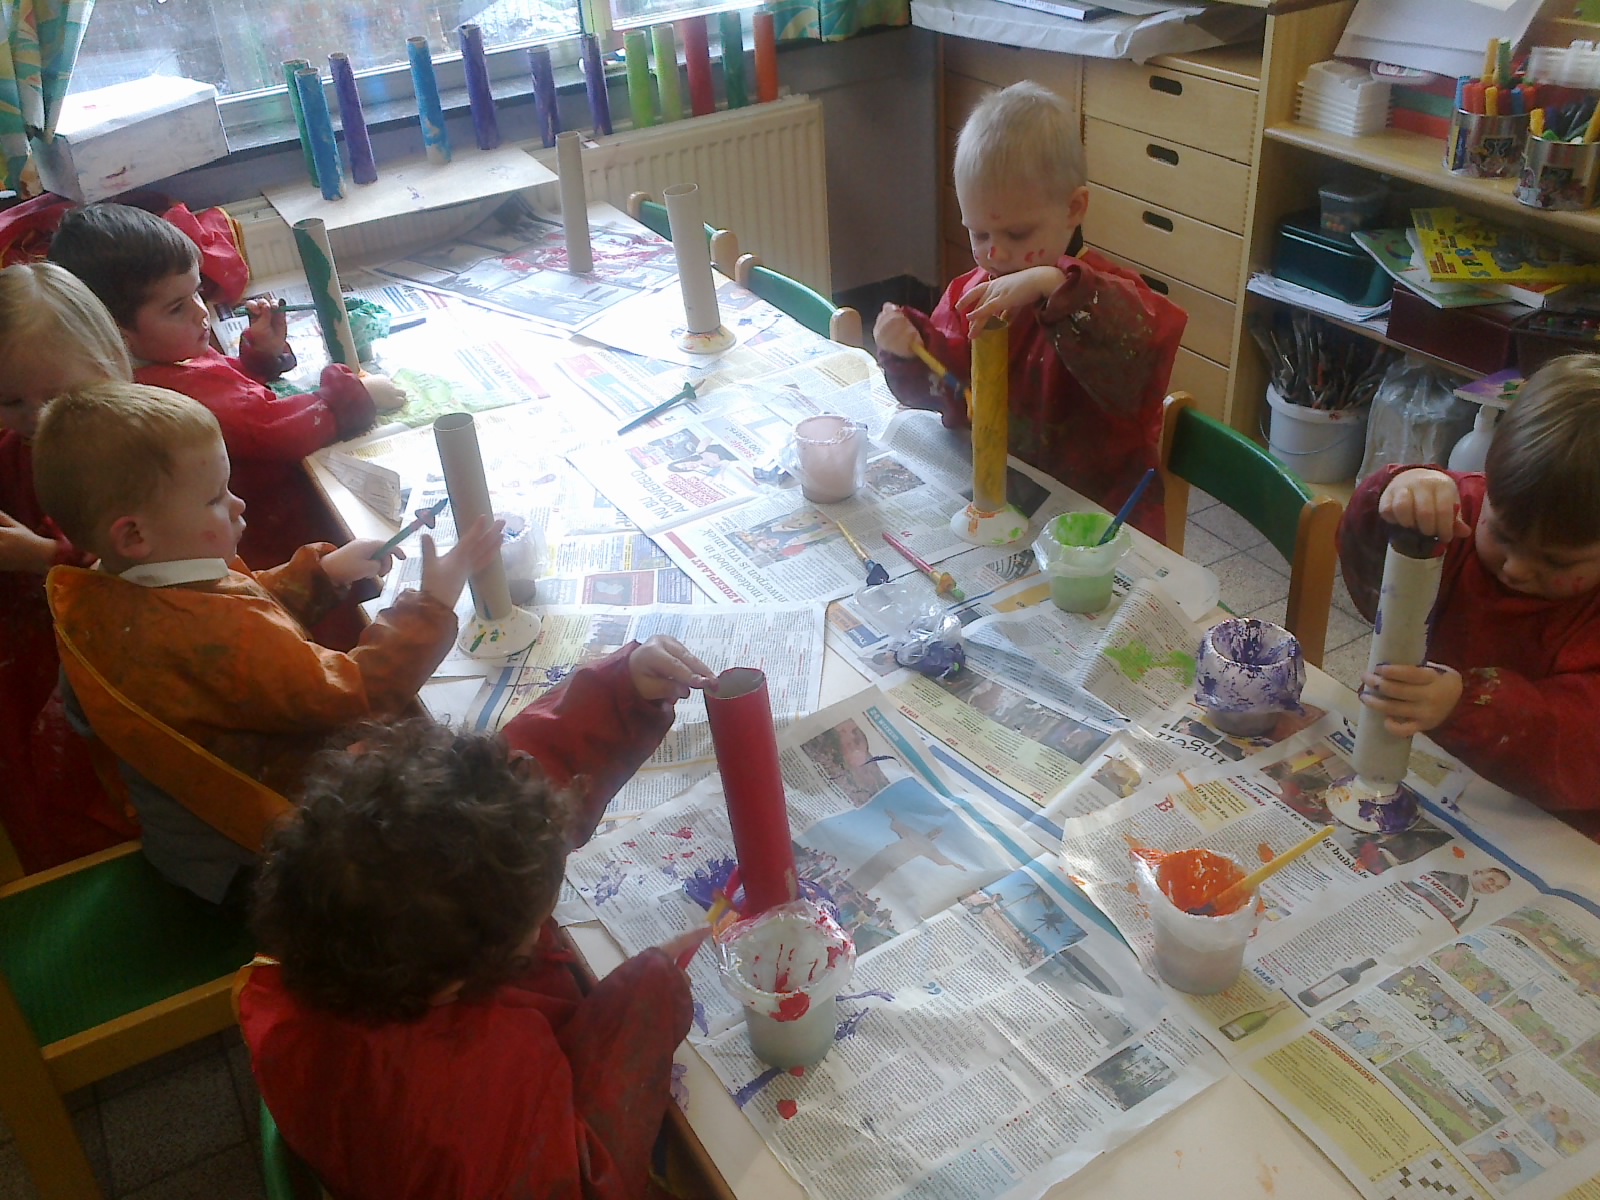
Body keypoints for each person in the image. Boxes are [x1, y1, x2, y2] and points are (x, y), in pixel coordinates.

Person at [237, 633, 717, 1200]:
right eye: (531, 928)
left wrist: (620, 692)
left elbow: (487, 807)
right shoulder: (474, 1094)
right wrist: (646, 999)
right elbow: (585, 1182)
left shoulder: (351, 919)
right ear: (465, 979)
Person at [32, 382, 500, 903]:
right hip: (252, 858)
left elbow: (237, 600)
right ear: (134, 535)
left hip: (186, 838)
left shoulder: (109, 588)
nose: (238, 504)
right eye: (215, 498)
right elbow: (355, 693)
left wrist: (323, 572)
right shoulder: (206, 633)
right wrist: (432, 605)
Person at [873, 82, 1186, 539]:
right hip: (1006, 503)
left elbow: (1142, 347)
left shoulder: (1102, 291)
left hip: (1099, 524)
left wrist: (1051, 284)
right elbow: (949, 389)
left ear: (1073, 208)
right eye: (978, 234)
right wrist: (908, 347)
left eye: (1017, 235)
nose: (995, 253)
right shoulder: (972, 293)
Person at [47, 202, 401, 578]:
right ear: (118, 334)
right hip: (281, 544)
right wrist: (353, 396)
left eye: (197, 292)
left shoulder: (164, 356)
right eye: (176, 308)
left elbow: (231, 392)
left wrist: (260, 358)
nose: (201, 312)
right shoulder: (170, 393)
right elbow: (274, 429)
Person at [1339, 354, 1600, 839]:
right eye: (1501, 535)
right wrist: (1391, 499)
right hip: (1441, 771)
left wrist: (1469, 704)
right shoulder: (1461, 515)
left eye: (1557, 563)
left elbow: (1583, 745)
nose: (1516, 568)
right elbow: (1369, 581)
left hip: (1558, 829)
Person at [0, 262, 138, 870]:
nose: (36, 418)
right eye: (10, 400)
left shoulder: (140, 449)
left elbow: (158, 575)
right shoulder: (13, 452)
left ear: (109, 365)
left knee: (122, 801)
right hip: (34, 669)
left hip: (122, 667)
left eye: (56, 398)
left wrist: (42, 557)